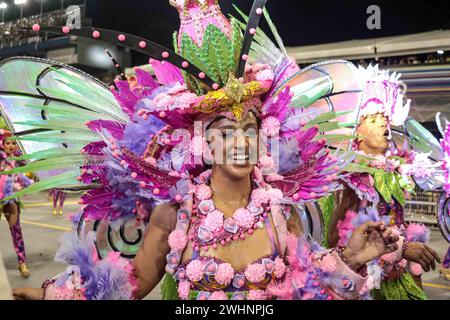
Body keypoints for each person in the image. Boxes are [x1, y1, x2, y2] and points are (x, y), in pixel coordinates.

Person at [10, 0, 403, 300]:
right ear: (202, 140)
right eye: (225, 132)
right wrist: (63, 295)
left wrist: (352, 258)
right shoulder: (175, 215)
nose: (241, 143)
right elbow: (134, 281)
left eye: (249, 129)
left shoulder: (280, 212)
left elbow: (314, 279)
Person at [327, 65, 441, 300]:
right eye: (373, 119)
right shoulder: (347, 176)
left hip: (398, 270)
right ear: (355, 132)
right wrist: (401, 250)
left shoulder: (394, 169)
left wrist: (404, 251)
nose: (383, 124)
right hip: (367, 280)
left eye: (385, 118)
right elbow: (334, 238)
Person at [0, 129, 33, 278]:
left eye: (13, 143)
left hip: (11, 199)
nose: (11, 146)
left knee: (17, 231)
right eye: (8, 143)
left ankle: (22, 262)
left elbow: (19, 176)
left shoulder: (16, 161)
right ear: (2, 144)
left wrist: (30, 183)